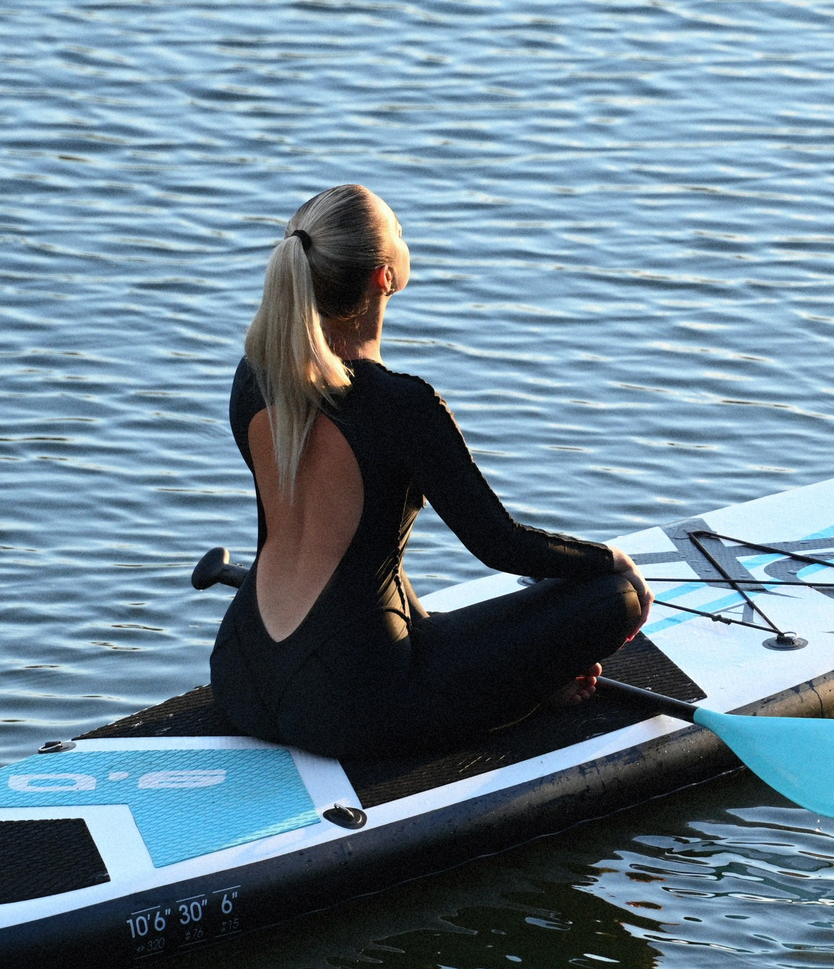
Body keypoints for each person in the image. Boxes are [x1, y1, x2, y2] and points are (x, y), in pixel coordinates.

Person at [208, 184, 650, 761]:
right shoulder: (403, 406)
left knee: (387, 588)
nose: (406, 238)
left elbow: (356, 549)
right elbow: (500, 545)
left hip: (241, 674)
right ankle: (531, 696)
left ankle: (520, 682)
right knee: (617, 598)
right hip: (350, 709)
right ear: (383, 277)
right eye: (400, 231)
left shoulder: (255, 375)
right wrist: (611, 560)